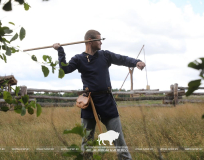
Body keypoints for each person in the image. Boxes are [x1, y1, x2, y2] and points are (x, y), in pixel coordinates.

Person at [53, 30, 145, 160]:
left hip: (107, 101)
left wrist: (136, 62)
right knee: (87, 142)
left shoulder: (105, 55)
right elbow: (64, 69)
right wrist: (60, 51)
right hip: (89, 103)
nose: (101, 42)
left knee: (119, 140)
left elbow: (121, 59)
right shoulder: (79, 59)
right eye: (99, 40)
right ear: (90, 40)